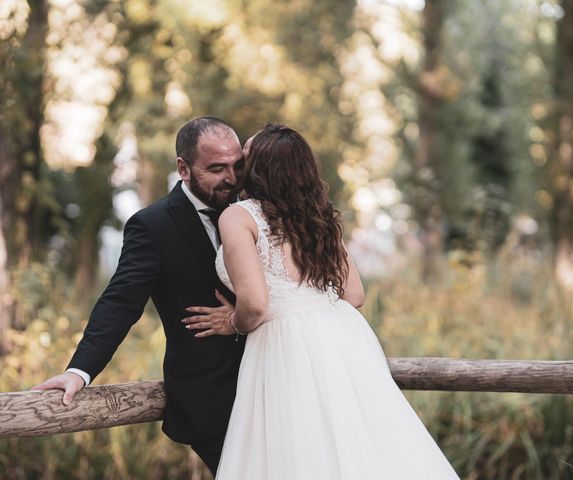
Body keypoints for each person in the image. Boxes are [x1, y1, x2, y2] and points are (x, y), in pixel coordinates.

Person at [204, 124, 460, 479]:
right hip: (341, 338)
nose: (238, 164)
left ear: (259, 167)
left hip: (285, 347)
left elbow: (256, 305)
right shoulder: (319, 216)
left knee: (294, 448)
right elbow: (354, 295)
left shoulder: (239, 216)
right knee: (354, 442)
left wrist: (231, 321)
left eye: (245, 156)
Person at [32, 116, 246, 475]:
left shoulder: (256, 208)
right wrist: (79, 370)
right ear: (184, 168)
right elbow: (120, 302)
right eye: (217, 168)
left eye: (237, 165)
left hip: (271, 375)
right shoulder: (153, 225)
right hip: (211, 397)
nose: (233, 178)